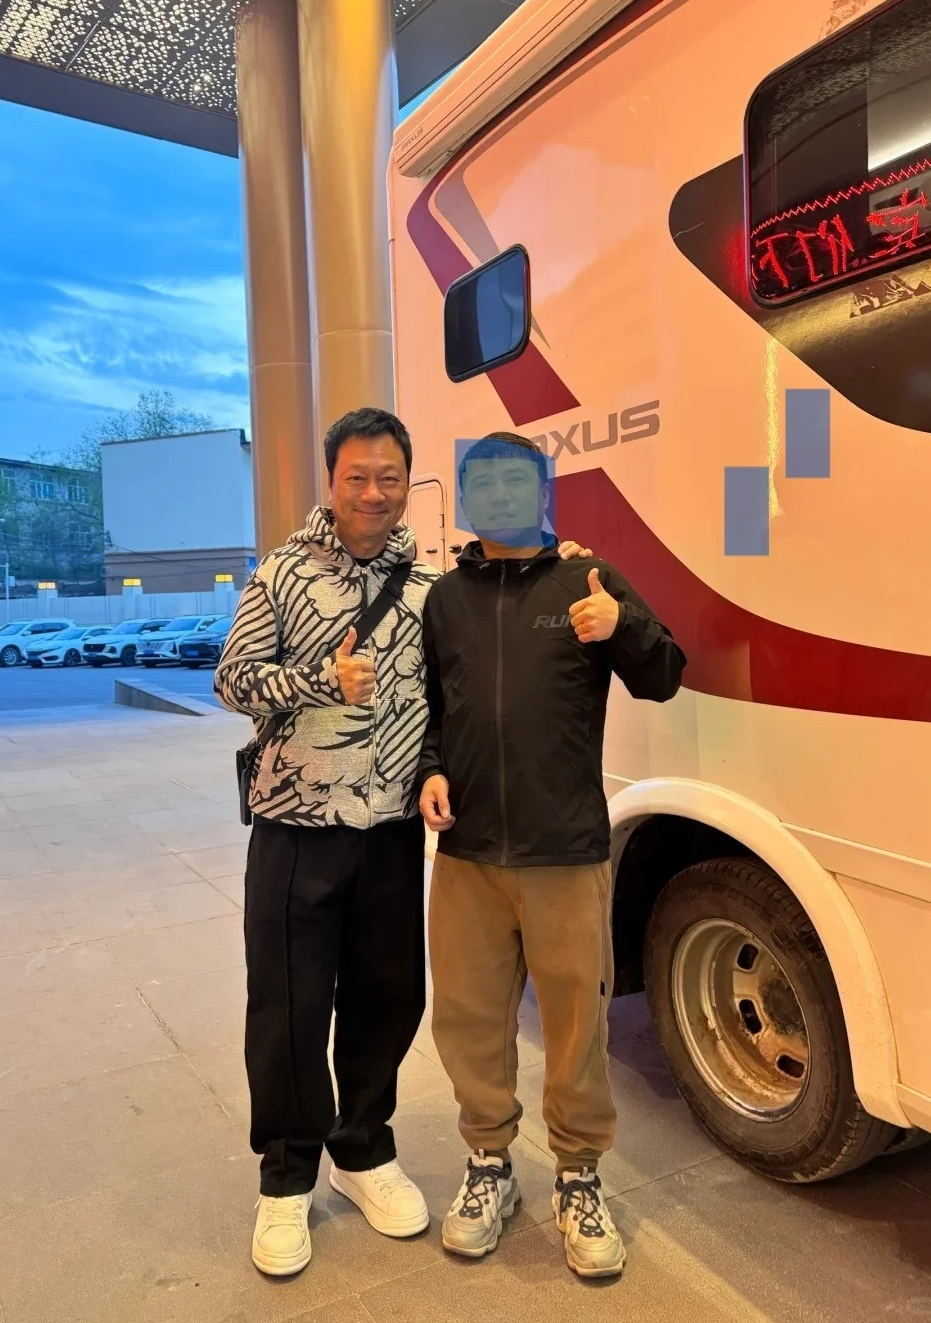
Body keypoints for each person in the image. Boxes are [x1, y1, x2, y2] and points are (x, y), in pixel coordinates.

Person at [216, 406, 597, 1276]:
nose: (374, 492)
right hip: (296, 827)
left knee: (387, 998)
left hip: (390, 830)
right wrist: (322, 678)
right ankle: (286, 1178)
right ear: (331, 482)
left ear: (407, 485)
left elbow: (454, 690)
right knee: (288, 1006)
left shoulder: (429, 586)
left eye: (390, 477)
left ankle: (361, 1150)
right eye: (357, 476)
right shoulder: (280, 573)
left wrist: (564, 564)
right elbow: (232, 681)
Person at [417, 430, 686, 1279]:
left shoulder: (587, 579)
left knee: (576, 1023)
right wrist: (429, 769)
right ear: (466, 499)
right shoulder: (445, 599)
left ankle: (578, 1174)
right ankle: (489, 1164)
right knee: (467, 1018)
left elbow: (665, 675)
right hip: (467, 853)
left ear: (541, 493)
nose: (498, 495)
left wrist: (622, 624)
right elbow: (432, 707)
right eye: (483, 483)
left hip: (565, 850)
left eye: (515, 481)